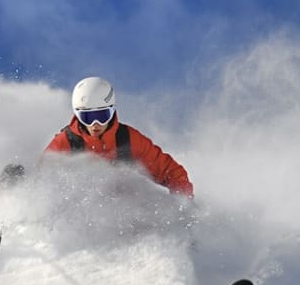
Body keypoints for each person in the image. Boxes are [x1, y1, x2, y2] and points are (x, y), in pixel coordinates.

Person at [43, 77, 193, 197]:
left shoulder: (128, 139)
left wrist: (184, 202)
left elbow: (170, 171)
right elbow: (42, 178)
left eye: (102, 115)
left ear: (112, 111)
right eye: (87, 117)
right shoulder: (67, 142)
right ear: (77, 115)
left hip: (125, 216)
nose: (96, 124)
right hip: (82, 218)